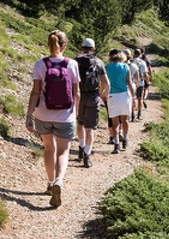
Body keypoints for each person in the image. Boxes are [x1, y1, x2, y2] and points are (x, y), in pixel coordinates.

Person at [25, 30, 80, 208]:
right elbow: (76, 92)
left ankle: (50, 183)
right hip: (66, 115)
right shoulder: (72, 64)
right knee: (63, 150)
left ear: (49, 44)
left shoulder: (40, 65)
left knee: (49, 148)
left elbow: (35, 92)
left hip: (43, 114)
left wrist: (29, 115)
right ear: (65, 46)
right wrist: (76, 113)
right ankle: (59, 181)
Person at [75, 38, 110, 168]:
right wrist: (102, 93)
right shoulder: (99, 62)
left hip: (78, 95)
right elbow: (106, 82)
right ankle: (87, 156)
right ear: (93, 49)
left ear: (81, 48)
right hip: (93, 96)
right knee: (90, 128)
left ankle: (81, 146)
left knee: (80, 123)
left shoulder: (74, 61)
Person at [106, 49, 135, 154]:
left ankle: (116, 144)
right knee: (125, 120)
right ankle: (125, 140)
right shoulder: (126, 67)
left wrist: (103, 93)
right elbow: (130, 83)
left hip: (112, 95)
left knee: (115, 122)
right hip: (124, 95)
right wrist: (134, 97)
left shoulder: (107, 67)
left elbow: (105, 82)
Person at [123, 49, 140, 123]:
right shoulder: (134, 66)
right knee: (132, 100)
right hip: (132, 84)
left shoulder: (121, 65)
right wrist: (137, 83)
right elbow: (137, 77)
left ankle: (124, 115)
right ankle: (132, 114)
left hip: (123, 85)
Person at [132, 48, 149, 121]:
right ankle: (139, 114)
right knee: (140, 99)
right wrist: (147, 82)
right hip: (141, 83)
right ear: (140, 54)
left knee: (132, 99)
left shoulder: (130, 61)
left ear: (134, 54)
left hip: (131, 83)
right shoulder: (143, 62)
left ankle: (132, 115)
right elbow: (145, 74)